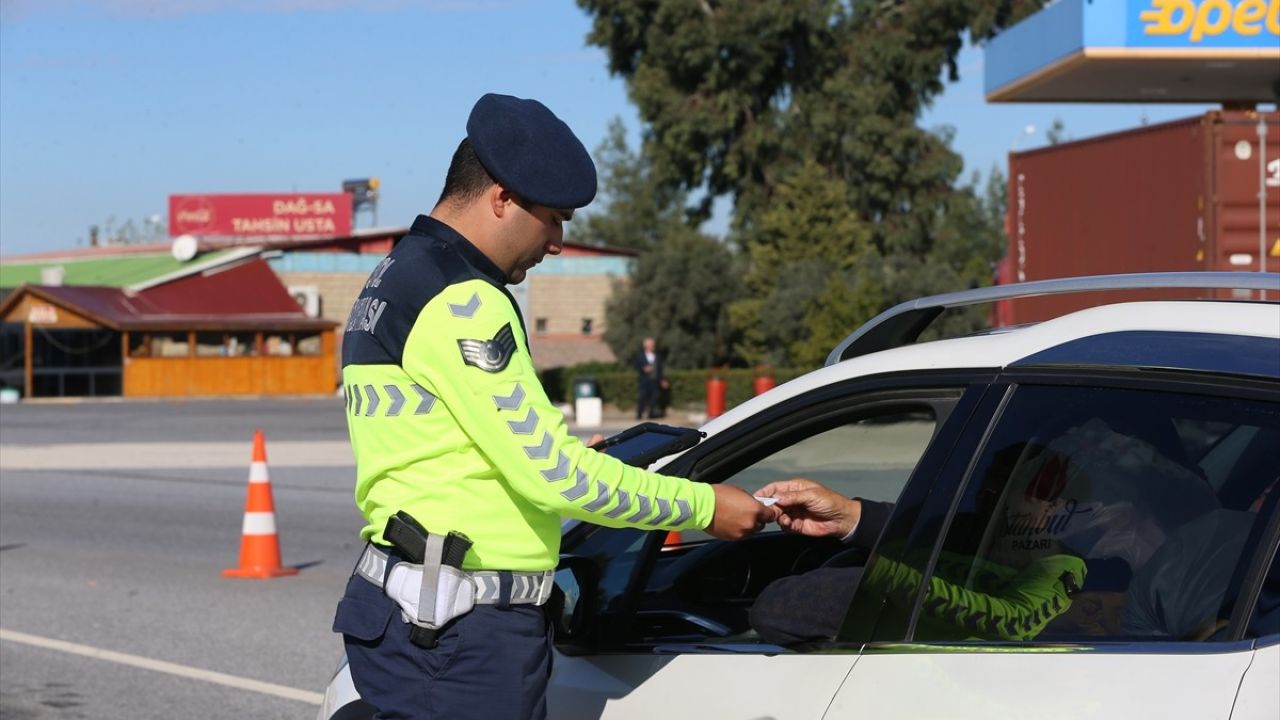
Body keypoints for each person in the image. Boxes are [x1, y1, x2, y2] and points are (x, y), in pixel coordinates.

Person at [331, 93, 775, 720]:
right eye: (555, 218)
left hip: (411, 616)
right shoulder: (464, 302)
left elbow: (444, 445)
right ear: (503, 197)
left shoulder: (393, 276)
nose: (560, 242)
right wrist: (705, 506)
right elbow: (555, 475)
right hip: (463, 638)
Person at [750, 471, 1086, 646]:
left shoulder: (1061, 565)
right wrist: (846, 517)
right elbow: (903, 532)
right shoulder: (961, 531)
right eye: (985, 484)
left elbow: (1012, 623)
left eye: (1004, 490)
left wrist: (877, 578)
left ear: (1057, 507)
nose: (988, 497)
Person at [633, 336, 665, 420]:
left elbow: (660, 369)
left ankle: (651, 413)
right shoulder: (640, 356)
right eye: (651, 345)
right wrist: (643, 368)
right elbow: (637, 366)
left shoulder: (658, 356)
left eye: (653, 345)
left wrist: (662, 379)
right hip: (644, 380)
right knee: (642, 397)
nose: (652, 346)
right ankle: (639, 414)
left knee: (654, 397)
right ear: (646, 345)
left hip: (655, 380)